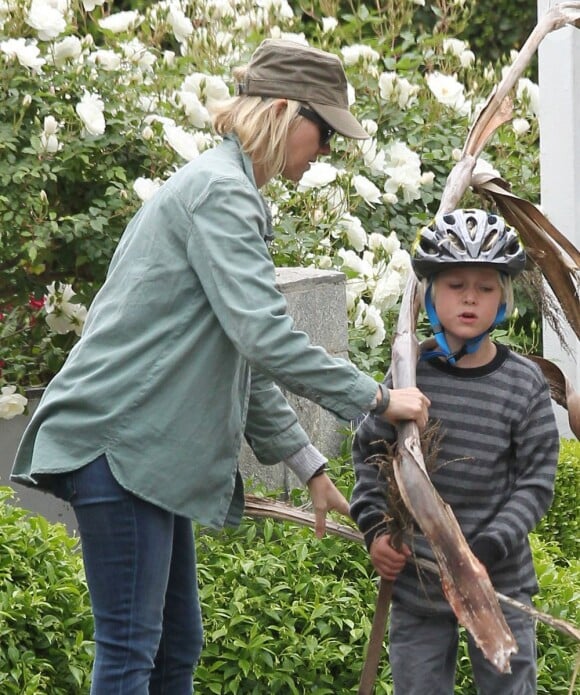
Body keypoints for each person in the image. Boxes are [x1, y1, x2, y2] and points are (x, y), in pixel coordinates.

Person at [10, 38, 429, 695]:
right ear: (289, 113)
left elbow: (242, 351)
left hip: (142, 454)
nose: (325, 152)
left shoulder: (228, 190)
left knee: (177, 648)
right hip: (121, 446)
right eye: (324, 134)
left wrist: (309, 466)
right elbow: (264, 334)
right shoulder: (219, 193)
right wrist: (375, 399)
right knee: (130, 656)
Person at [350, 208, 559, 695]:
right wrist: (377, 530)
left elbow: (535, 483)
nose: (469, 297)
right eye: (455, 285)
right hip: (419, 583)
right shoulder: (407, 377)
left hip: (498, 584)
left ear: (503, 300)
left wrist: (482, 549)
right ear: (429, 296)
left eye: (485, 288)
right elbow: (370, 456)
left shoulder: (523, 384)